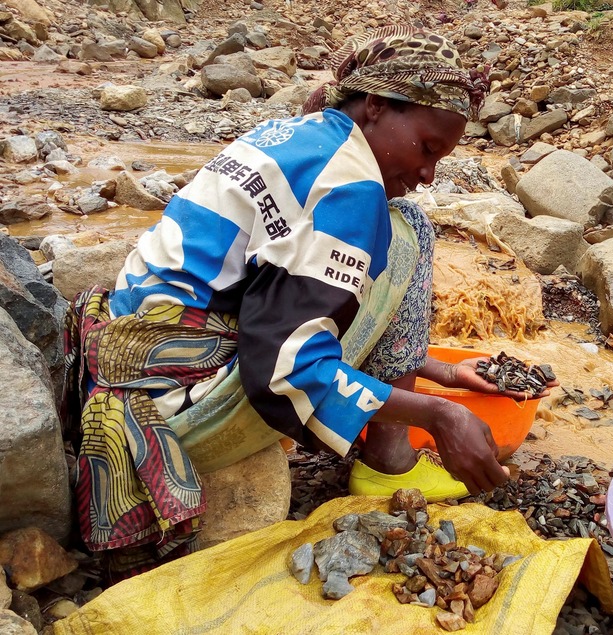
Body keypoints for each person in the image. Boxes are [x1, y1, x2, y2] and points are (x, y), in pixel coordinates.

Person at [62, 26, 554, 578]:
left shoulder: (296, 132)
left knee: (401, 223)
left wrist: (444, 373)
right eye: (427, 149)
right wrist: (439, 415)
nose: (427, 174)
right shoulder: (350, 188)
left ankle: (386, 438)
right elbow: (281, 368)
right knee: (408, 229)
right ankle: (390, 461)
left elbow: (271, 299)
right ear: (374, 106)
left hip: (118, 363)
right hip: (168, 409)